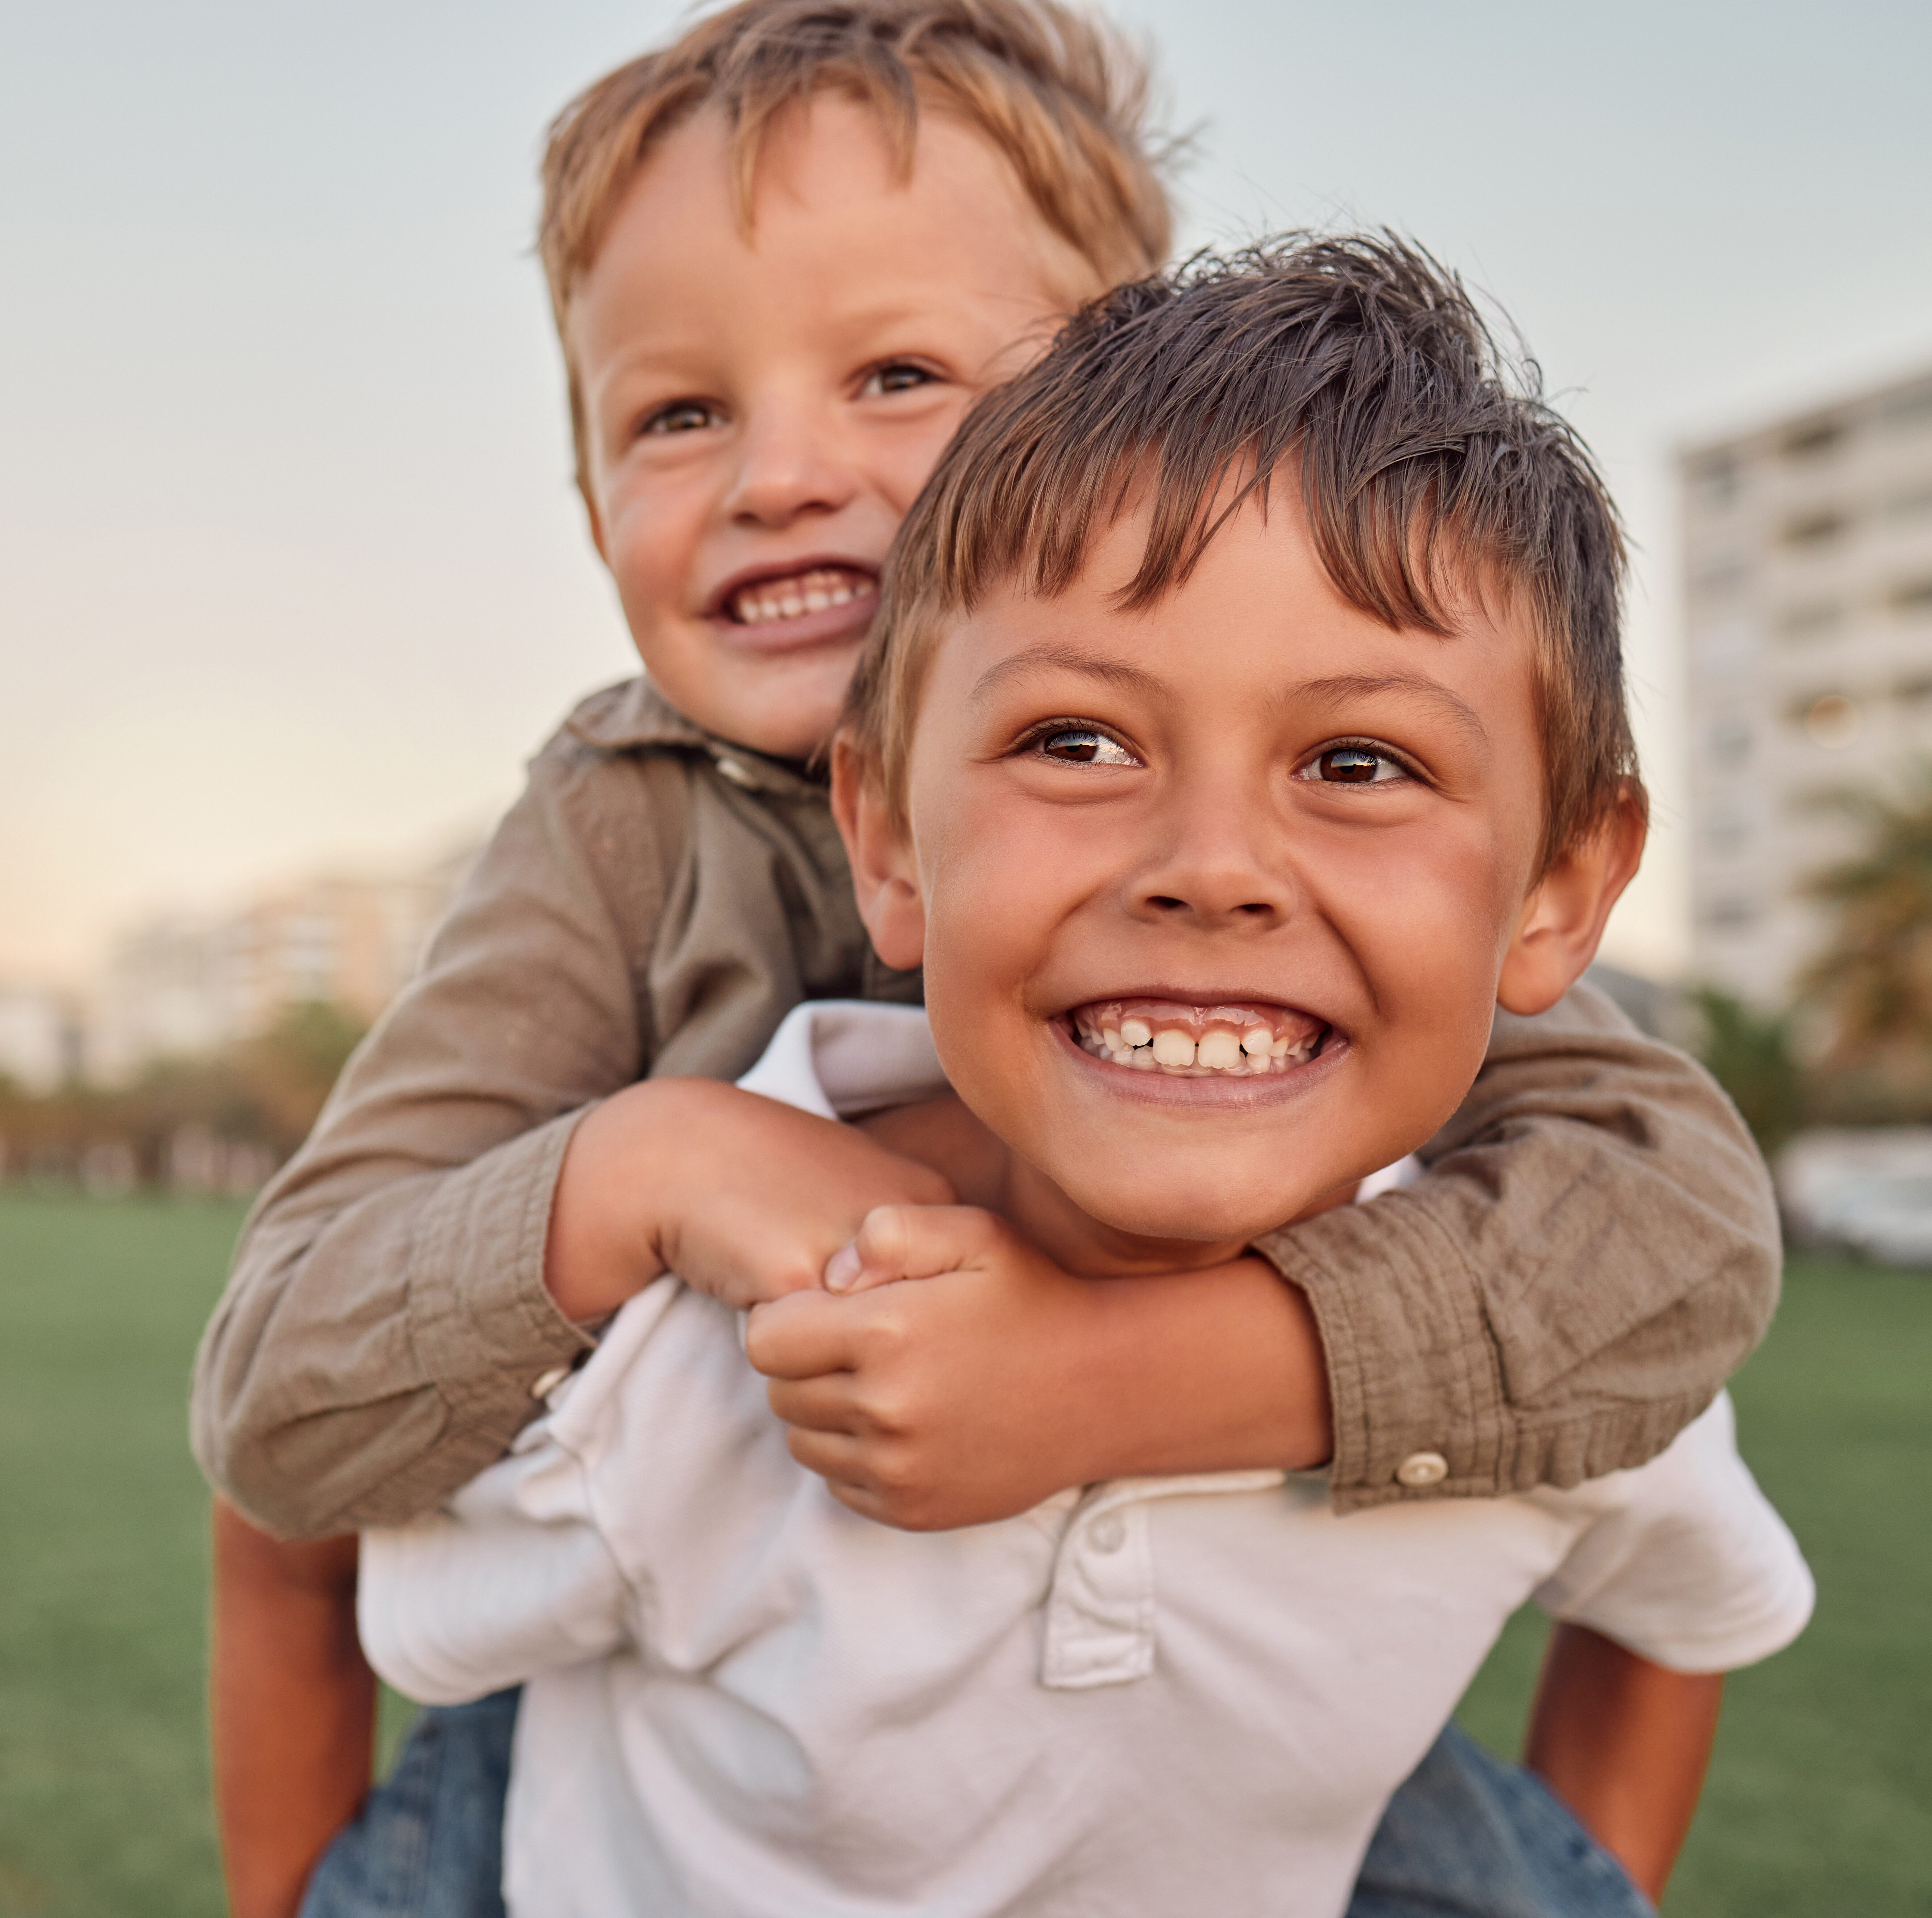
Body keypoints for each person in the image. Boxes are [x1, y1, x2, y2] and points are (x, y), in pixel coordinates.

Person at [194, 5, 1783, 1913]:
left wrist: (1120, 1379)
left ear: (1133, 401)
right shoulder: (620, 832)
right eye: (678, 412)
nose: (780, 474)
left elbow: (1669, 1238)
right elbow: (284, 1396)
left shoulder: (1295, 852)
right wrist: (665, 1164)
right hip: (709, 1708)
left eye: (894, 375)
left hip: (1203, 1687)